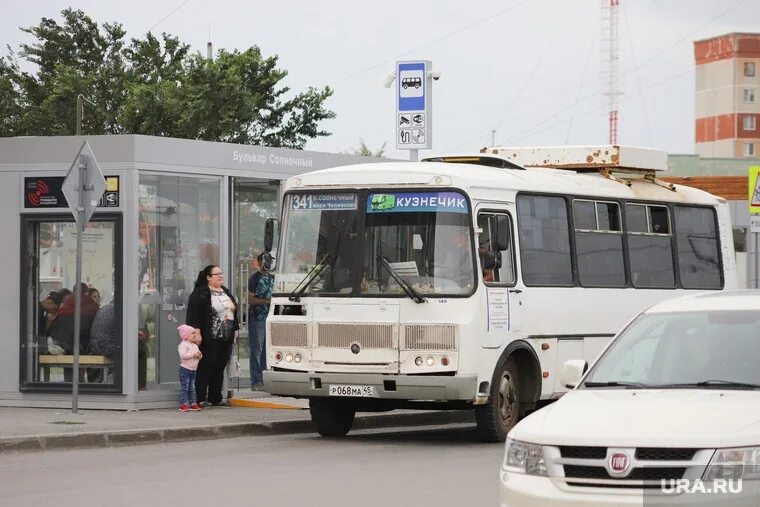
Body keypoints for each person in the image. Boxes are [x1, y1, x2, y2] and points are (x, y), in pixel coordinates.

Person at [186, 265, 239, 407]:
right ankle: (200, 398)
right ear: (208, 277)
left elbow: (234, 311)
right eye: (217, 274)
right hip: (210, 336)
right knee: (206, 366)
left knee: (219, 366)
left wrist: (235, 330)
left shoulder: (225, 291)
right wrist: (196, 332)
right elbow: (193, 314)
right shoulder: (200, 293)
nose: (220, 276)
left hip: (226, 336)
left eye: (221, 273)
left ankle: (216, 397)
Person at [247, 253, 274, 391]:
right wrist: (268, 301)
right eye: (266, 261)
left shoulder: (273, 278)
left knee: (266, 350)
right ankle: (256, 380)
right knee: (256, 350)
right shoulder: (254, 279)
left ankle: (265, 379)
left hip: (270, 318)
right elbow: (250, 299)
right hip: (257, 317)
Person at [177, 324, 202, 412]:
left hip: (193, 369)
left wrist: (199, 355)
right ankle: (183, 403)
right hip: (185, 369)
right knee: (185, 387)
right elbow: (183, 356)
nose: (194, 335)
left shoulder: (194, 345)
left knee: (192, 387)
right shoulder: (183, 345)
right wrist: (193, 355)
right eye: (192, 333)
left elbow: (199, 354)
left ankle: (193, 403)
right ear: (186, 336)